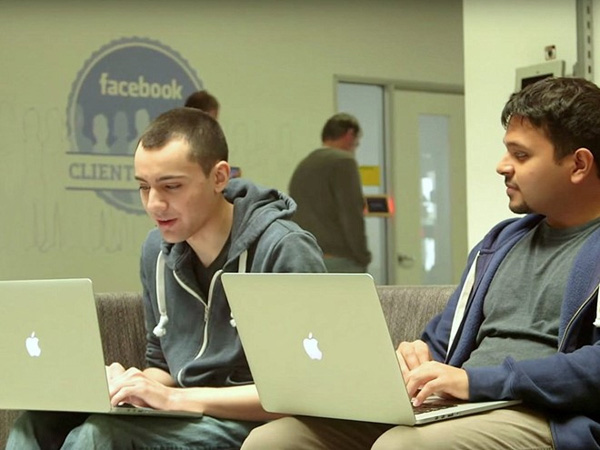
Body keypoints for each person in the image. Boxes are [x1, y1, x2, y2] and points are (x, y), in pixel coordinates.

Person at [241, 77, 600, 450]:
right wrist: (417, 355)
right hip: (465, 403)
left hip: (546, 415)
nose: (501, 166)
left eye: (520, 155)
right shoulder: (499, 243)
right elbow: (442, 341)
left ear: (579, 164)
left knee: (402, 446)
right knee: (274, 440)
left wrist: (475, 382)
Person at [6, 107, 326, 449]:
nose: (154, 204)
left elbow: (306, 390)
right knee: (33, 425)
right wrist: (129, 385)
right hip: (185, 414)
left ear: (219, 177)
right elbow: (161, 362)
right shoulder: (156, 250)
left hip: (250, 420)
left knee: (100, 435)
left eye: (171, 186)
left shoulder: (283, 248)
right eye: (144, 187)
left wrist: (174, 399)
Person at [289, 113, 371, 273]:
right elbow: (351, 214)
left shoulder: (304, 164)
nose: (356, 147)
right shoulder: (344, 162)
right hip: (338, 261)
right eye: (357, 142)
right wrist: (363, 256)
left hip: (305, 258)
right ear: (350, 134)